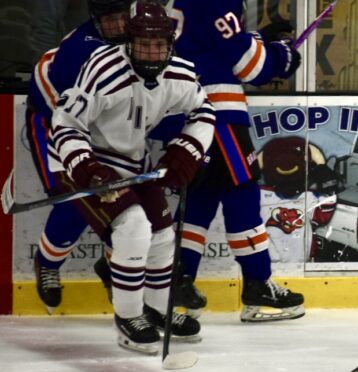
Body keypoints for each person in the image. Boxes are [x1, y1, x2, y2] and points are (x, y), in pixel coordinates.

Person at [48, 0, 215, 354]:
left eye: (159, 44)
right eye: (144, 44)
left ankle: (156, 309)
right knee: (134, 227)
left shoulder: (180, 73)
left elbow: (203, 111)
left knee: (163, 234)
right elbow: (65, 123)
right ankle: (128, 317)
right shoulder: (103, 68)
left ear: (170, 43)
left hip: (134, 164)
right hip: (82, 162)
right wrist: (86, 167)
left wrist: (188, 149)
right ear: (130, 41)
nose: (152, 52)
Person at [162, 0, 305, 322]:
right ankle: (257, 283)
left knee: (202, 197)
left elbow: (213, 43)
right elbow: (251, 68)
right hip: (217, 115)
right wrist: (281, 55)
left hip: (184, 111)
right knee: (242, 193)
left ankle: (178, 280)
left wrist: (258, 39)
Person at [27, 0, 131, 313]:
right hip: (53, 118)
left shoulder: (142, 35)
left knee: (127, 200)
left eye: (121, 17)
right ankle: (47, 264)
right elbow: (68, 115)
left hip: (108, 125)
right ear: (95, 19)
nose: (117, 26)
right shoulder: (78, 50)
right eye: (108, 19)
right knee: (74, 198)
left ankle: (112, 266)